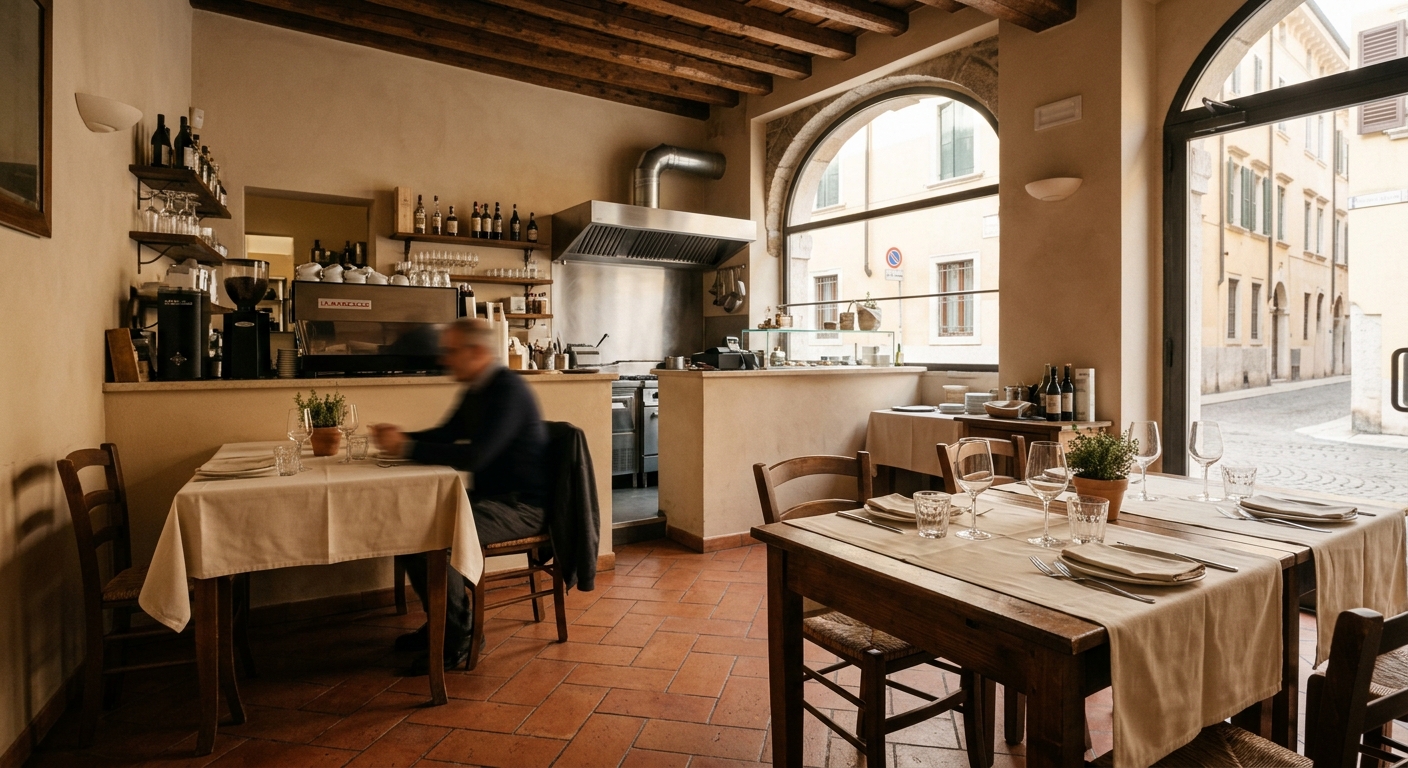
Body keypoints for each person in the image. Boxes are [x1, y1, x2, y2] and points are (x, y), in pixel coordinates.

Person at [371, 318, 547, 673]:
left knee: (434, 534)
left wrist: (406, 446)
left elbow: (477, 456)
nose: (444, 360)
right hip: (493, 499)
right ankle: (443, 621)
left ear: (476, 352)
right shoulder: (477, 389)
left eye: (451, 352)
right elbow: (446, 435)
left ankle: (459, 637)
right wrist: (402, 438)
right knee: (409, 521)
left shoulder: (508, 390)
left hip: (523, 506)